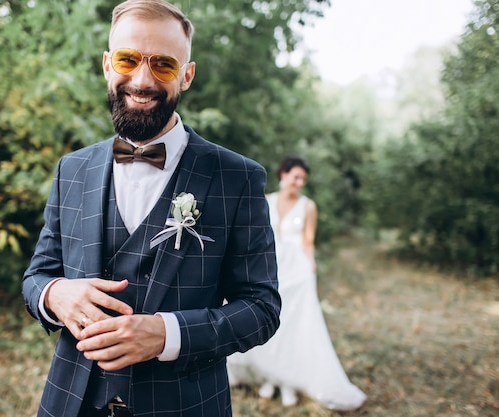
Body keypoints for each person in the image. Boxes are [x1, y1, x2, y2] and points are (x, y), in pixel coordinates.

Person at [21, 1, 281, 416]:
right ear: (108, 64)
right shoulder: (71, 169)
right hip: (70, 401)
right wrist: (54, 294)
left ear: (186, 75)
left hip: (186, 405)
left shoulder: (238, 177)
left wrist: (166, 334)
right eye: (128, 59)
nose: (141, 80)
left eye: (162, 65)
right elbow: (37, 275)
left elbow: (262, 310)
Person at [227, 155, 366, 411]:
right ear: (283, 175)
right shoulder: (265, 201)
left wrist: (310, 268)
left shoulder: (308, 206)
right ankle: (268, 376)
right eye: (295, 177)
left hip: (296, 271)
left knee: (292, 325)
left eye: (303, 179)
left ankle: (288, 381)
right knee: (264, 318)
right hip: (268, 268)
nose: (299, 182)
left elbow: (308, 241)